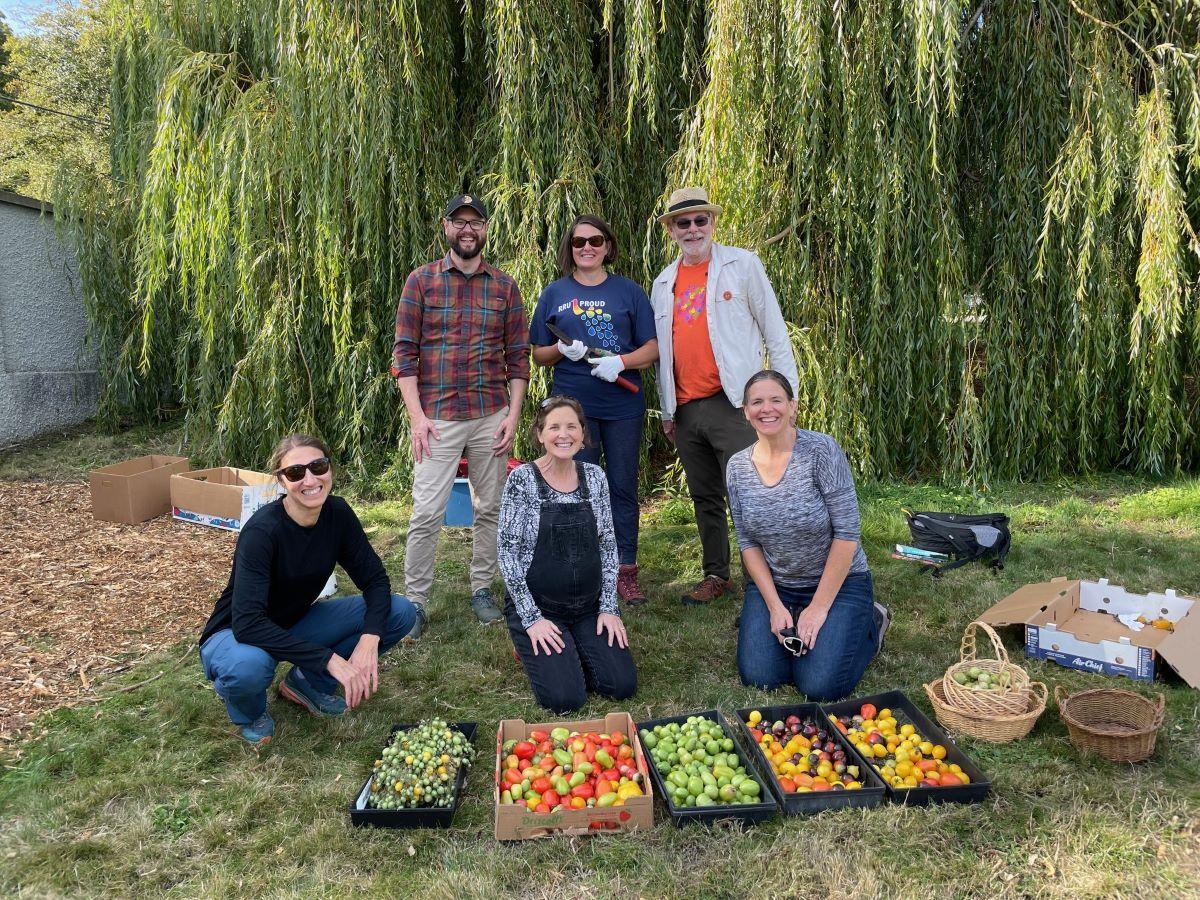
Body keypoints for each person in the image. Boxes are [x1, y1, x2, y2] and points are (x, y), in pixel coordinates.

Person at [199, 435, 417, 746]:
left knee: (398, 612)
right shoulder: (262, 533)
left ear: (330, 469)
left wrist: (370, 638)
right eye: (296, 472)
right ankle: (249, 712)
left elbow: (375, 580)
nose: (310, 479)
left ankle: (307, 684)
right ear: (281, 481)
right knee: (248, 667)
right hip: (235, 631)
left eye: (318, 466)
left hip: (294, 620)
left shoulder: (337, 514)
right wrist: (329, 658)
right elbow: (248, 622)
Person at [650, 187, 800, 606]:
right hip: (685, 406)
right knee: (705, 496)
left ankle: (772, 580)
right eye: (684, 222)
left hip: (733, 402)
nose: (694, 229)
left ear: (713, 223)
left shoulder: (743, 265)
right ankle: (717, 574)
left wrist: (785, 397)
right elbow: (665, 350)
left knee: (753, 493)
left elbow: (775, 331)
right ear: (672, 230)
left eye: (701, 220)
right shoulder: (664, 283)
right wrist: (667, 410)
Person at [392, 192, 530, 639]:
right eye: (459, 222)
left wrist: (513, 415)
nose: (467, 229)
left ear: (486, 229)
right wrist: (416, 417)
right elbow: (404, 354)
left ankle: (482, 589)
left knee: (489, 508)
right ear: (446, 227)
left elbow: (518, 357)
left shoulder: (505, 287)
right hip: (438, 418)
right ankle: (414, 603)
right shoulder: (421, 282)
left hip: (491, 414)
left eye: (476, 222)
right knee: (427, 512)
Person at [727, 371, 886, 701]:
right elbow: (747, 541)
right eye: (757, 402)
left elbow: (847, 534)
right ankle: (799, 620)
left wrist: (818, 608)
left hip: (840, 583)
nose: (766, 409)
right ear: (745, 411)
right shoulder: (737, 467)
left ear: (792, 406)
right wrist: (773, 604)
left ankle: (872, 622)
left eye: (776, 400)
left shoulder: (822, 451)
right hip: (778, 583)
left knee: (818, 685)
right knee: (761, 677)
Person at [529, 215, 659, 604]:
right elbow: (539, 353)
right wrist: (560, 350)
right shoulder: (554, 293)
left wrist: (620, 363)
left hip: (622, 405)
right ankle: (580, 568)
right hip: (572, 411)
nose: (587, 248)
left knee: (621, 487)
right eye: (579, 242)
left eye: (595, 240)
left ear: (607, 246)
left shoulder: (629, 292)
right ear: (569, 248)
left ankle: (625, 570)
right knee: (575, 486)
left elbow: (651, 350)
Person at [497, 396, 637, 713]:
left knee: (622, 686)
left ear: (582, 433)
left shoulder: (595, 477)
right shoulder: (522, 480)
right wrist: (532, 620)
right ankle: (528, 639)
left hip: (588, 606)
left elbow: (607, 544)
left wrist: (609, 608)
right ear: (540, 434)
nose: (564, 434)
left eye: (572, 426)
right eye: (555, 427)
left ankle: (574, 642)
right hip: (540, 607)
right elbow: (507, 555)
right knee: (565, 699)